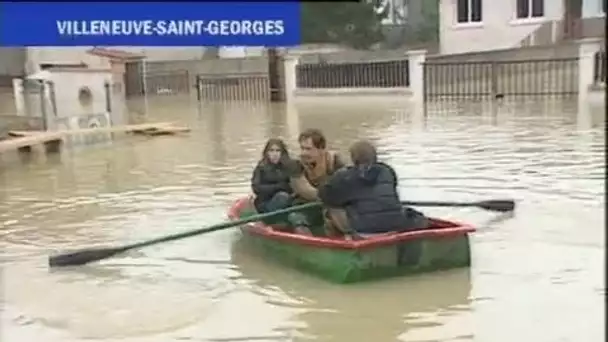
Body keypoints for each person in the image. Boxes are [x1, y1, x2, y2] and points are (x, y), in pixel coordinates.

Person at [318, 140, 429, 239]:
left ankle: (342, 241)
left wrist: (330, 171)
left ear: (353, 159)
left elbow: (324, 195)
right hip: (396, 227)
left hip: (365, 231)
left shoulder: (346, 176)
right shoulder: (387, 171)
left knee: (330, 208)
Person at [284, 129, 347, 234]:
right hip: (306, 206)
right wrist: (329, 196)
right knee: (296, 217)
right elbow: (306, 191)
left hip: (332, 205)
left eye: (308, 149)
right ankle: (309, 244)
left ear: (321, 149)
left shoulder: (335, 160)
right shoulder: (295, 165)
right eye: (302, 148)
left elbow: (348, 183)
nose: (304, 153)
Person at [251, 138, 293, 214]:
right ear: (267, 153)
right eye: (271, 150)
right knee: (282, 197)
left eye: (278, 150)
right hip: (265, 203)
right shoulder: (261, 168)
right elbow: (256, 188)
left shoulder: (289, 167)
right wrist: (278, 187)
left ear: (282, 153)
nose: (275, 154)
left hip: (287, 201)